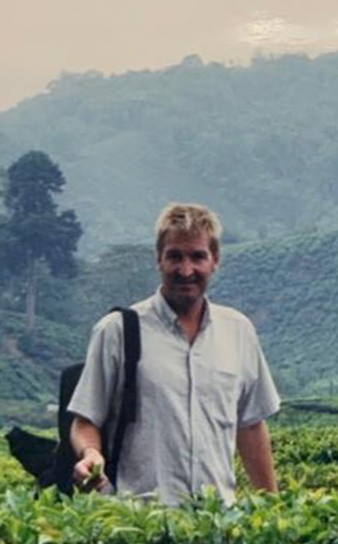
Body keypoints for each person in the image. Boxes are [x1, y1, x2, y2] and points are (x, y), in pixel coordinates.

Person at [68, 202, 279, 506]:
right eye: (175, 256)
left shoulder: (238, 331)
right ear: (159, 259)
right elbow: (86, 419)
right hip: (140, 523)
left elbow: (250, 425)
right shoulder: (117, 331)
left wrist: (272, 510)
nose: (186, 270)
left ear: (215, 260)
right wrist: (90, 453)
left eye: (197, 257)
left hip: (216, 522)